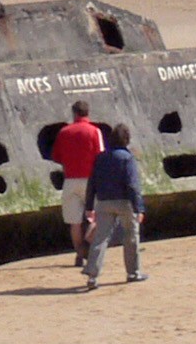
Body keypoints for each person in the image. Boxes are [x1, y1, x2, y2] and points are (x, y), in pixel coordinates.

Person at [82, 123, 146, 289]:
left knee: (100, 239)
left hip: (103, 202)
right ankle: (133, 272)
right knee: (131, 237)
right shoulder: (127, 158)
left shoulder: (100, 158)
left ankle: (92, 275)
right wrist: (139, 207)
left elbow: (92, 183)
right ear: (126, 139)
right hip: (124, 202)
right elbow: (133, 185)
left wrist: (89, 205)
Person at [50, 101, 106, 257]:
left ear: (74, 113)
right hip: (91, 180)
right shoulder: (95, 131)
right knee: (98, 216)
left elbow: (56, 156)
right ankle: (89, 241)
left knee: (75, 222)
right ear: (87, 113)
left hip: (70, 180)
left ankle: (80, 254)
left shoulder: (64, 132)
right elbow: (100, 156)